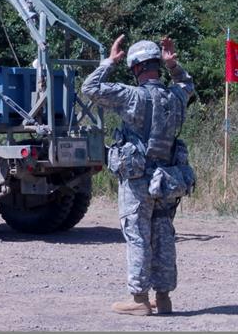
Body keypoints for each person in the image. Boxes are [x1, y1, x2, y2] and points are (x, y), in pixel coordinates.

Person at [81, 35, 196, 316]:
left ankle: (139, 299)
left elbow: (89, 87)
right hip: (168, 180)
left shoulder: (131, 96)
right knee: (164, 235)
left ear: (135, 68)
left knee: (138, 236)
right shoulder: (175, 96)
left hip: (137, 181)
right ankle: (164, 298)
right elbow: (188, 85)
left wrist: (109, 61)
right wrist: (174, 66)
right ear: (157, 63)